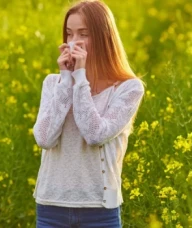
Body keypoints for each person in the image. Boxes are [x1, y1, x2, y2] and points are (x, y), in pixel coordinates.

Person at [32, 0, 145, 227]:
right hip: (51, 208)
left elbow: (95, 134)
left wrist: (80, 77)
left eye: (83, 34)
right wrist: (66, 80)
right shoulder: (53, 83)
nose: (74, 42)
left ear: (104, 37)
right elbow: (44, 139)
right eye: (69, 34)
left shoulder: (128, 88)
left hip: (100, 211)